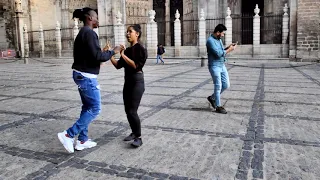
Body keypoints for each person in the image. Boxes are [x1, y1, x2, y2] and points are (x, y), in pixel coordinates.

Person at [57, 7, 122, 153]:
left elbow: (93, 55)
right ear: (90, 18)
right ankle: (69, 134)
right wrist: (114, 51)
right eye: (96, 17)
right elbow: (98, 58)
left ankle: (82, 140)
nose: (98, 19)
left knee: (87, 107)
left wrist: (103, 52)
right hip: (86, 77)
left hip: (81, 74)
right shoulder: (90, 33)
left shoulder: (83, 33)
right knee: (95, 108)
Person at [110, 24, 147, 147]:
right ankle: (134, 132)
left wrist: (123, 55)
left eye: (130, 31)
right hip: (128, 82)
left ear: (137, 34)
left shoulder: (141, 48)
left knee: (132, 111)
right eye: (127, 32)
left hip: (137, 82)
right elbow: (117, 65)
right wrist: (109, 54)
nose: (127, 34)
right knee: (127, 110)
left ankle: (139, 137)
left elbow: (136, 66)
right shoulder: (128, 50)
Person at [206, 24, 236, 114]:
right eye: (222, 33)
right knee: (218, 85)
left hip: (222, 65)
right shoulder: (210, 41)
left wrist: (227, 47)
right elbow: (218, 54)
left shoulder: (218, 40)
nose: (223, 35)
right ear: (218, 32)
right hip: (214, 66)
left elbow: (221, 50)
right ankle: (218, 106)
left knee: (226, 85)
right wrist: (229, 50)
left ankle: (212, 98)